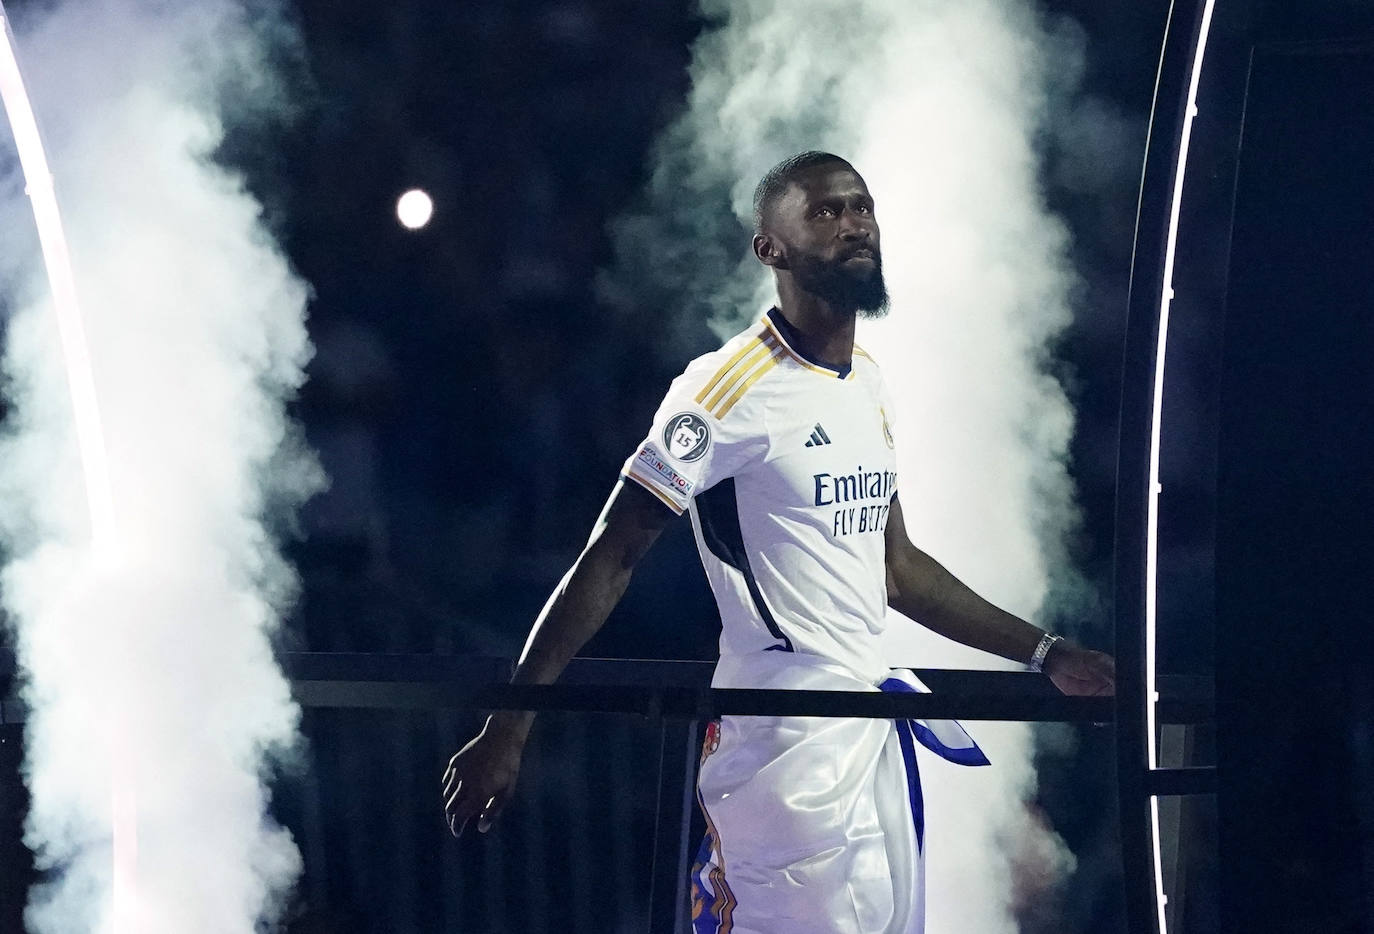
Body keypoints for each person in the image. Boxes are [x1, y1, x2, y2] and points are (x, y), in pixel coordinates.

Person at [443, 151, 1115, 933]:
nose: (853, 223)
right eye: (825, 212)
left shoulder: (866, 380)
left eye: (860, 206)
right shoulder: (722, 389)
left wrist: (1046, 653)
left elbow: (896, 570)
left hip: (869, 735)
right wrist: (511, 721)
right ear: (772, 248)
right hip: (783, 743)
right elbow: (613, 553)